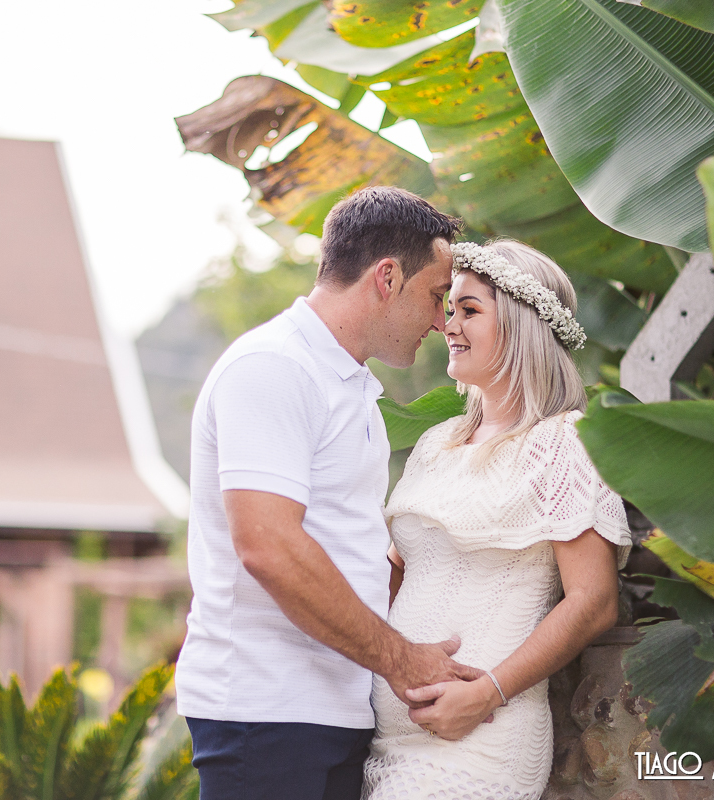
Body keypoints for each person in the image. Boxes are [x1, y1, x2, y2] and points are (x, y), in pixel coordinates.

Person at [175, 186, 482, 800]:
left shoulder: (350, 385)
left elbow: (347, 542)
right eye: (434, 295)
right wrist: (403, 661)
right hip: (265, 716)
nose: (439, 321)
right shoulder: (274, 367)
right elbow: (267, 546)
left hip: (331, 711)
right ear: (386, 278)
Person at [361, 239, 631, 800]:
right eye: (450, 309)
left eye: (469, 310)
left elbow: (595, 600)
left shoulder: (561, 442)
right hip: (388, 743)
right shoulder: (436, 443)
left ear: (521, 326)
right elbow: (396, 573)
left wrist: (486, 692)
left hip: (483, 739)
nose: (448, 325)